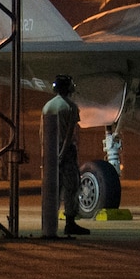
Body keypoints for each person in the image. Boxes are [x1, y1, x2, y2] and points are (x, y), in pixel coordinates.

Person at [40, 75, 87, 238]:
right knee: (71, 186)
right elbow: (70, 134)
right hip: (65, 152)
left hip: (49, 149)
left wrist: (47, 153)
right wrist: (62, 154)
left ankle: (49, 224)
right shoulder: (71, 107)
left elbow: (42, 133)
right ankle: (70, 223)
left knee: (52, 188)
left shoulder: (47, 106)